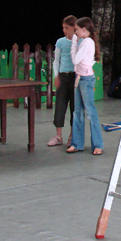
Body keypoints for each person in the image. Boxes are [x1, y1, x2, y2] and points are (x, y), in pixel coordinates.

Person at [66, 17, 103, 155]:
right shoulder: (85, 42)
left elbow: (75, 59)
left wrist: (74, 44)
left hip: (86, 80)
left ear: (83, 29)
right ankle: (76, 143)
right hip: (79, 78)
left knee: (90, 112)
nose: (75, 32)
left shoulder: (87, 42)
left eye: (76, 30)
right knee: (77, 112)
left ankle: (97, 145)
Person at [47, 15, 76, 147]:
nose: (64, 30)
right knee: (60, 105)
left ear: (73, 27)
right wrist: (56, 76)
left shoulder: (79, 41)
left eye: (66, 27)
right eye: (63, 27)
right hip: (63, 77)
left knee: (74, 107)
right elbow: (56, 61)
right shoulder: (60, 42)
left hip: (75, 77)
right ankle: (58, 136)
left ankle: (72, 135)